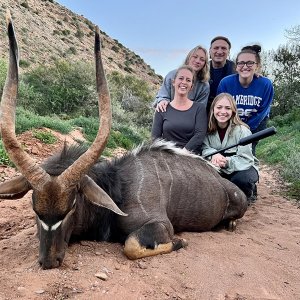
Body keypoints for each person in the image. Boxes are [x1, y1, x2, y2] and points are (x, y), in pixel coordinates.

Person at [202, 93, 259, 205]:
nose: (223, 111)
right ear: (213, 109)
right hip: (217, 167)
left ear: (233, 111)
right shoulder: (207, 131)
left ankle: (249, 193)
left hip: (242, 167)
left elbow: (246, 159)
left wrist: (227, 162)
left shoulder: (243, 131)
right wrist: (213, 154)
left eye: (227, 108)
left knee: (240, 181)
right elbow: (205, 147)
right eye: (219, 107)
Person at [217, 44, 274, 155]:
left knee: (247, 151)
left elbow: (263, 111)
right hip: (231, 123)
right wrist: (233, 128)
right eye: (241, 63)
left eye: (250, 63)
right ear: (236, 66)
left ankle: (251, 165)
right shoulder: (225, 83)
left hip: (256, 123)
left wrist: (246, 129)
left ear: (257, 66)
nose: (245, 66)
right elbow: (220, 108)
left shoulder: (265, 84)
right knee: (228, 150)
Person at [151, 65, 207, 154]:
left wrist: (182, 154)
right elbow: (155, 139)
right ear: (173, 82)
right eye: (181, 78)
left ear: (192, 86)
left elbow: (199, 135)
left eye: (188, 80)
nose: (184, 82)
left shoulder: (199, 108)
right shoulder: (162, 108)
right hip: (167, 156)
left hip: (190, 157)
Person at [153, 45, 210, 112]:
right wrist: (163, 101)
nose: (197, 61)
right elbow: (162, 95)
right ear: (188, 58)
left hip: (189, 119)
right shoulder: (171, 75)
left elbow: (200, 109)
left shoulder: (204, 85)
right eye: (195, 57)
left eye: (202, 59)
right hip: (167, 114)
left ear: (205, 64)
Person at [208, 36, 236, 113]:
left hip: (228, 112)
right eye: (216, 48)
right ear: (210, 51)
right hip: (204, 112)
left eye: (223, 48)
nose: (219, 52)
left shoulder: (236, 69)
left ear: (229, 52)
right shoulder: (202, 68)